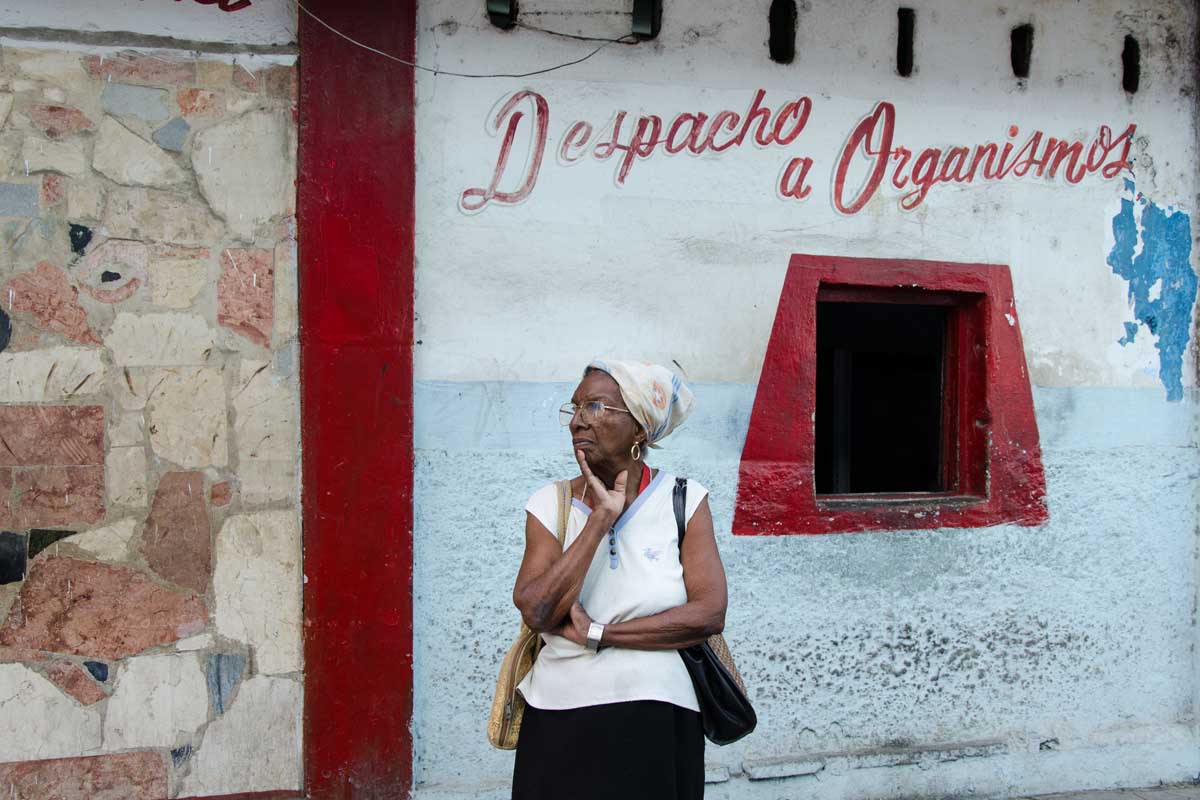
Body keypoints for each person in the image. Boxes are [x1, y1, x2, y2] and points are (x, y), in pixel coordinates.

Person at [510, 359, 728, 800]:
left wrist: (600, 633)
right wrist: (599, 518)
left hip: (657, 710)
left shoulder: (684, 499)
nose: (576, 423)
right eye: (573, 409)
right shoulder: (548, 503)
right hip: (558, 709)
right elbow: (536, 610)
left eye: (594, 407)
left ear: (640, 431)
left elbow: (708, 612)